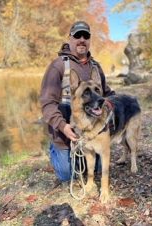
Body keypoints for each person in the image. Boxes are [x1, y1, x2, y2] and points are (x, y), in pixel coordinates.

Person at [40, 21, 115, 183]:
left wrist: (113, 104)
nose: (82, 39)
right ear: (70, 38)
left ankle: (85, 156)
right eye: (77, 36)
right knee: (68, 176)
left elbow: (107, 94)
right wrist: (62, 126)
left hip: (92, 133)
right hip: (66, 136)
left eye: (86, 36)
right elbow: (47, 104)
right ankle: (54, 150)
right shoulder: (58, 66)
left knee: (97, 169)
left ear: (89, 40)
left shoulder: (96, 67)